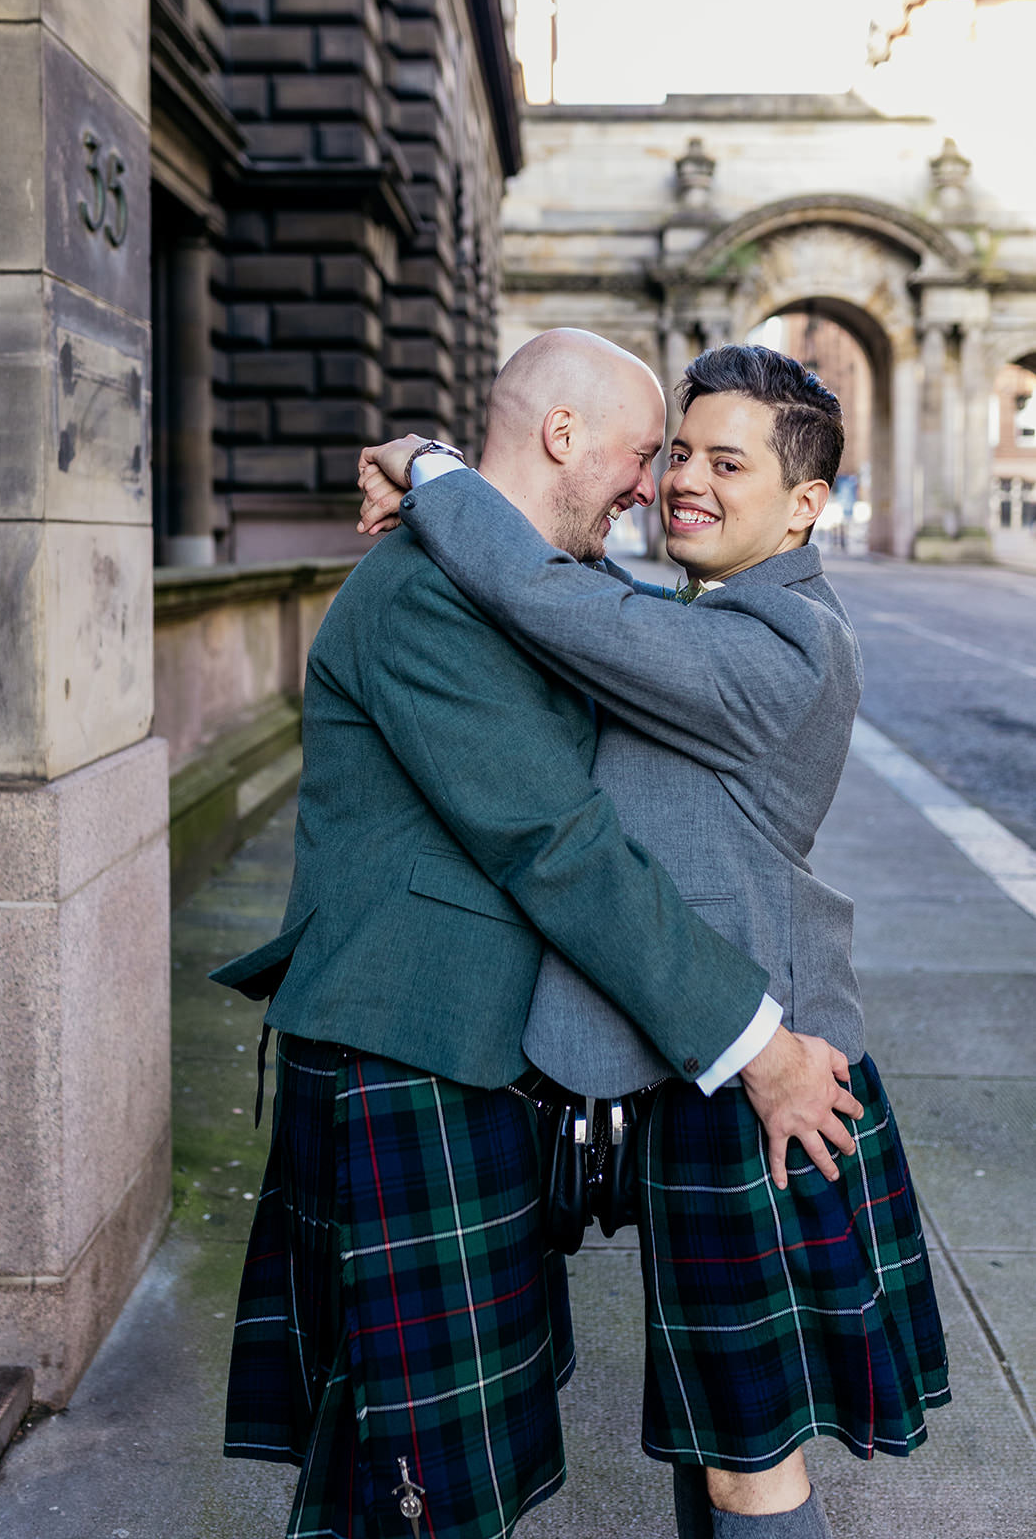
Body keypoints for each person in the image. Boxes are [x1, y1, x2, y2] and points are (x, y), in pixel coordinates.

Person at [211, 330, 861, 1539]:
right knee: (415, 1474)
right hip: (401, 1044)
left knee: (473, 1455)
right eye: (644, 453)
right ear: (562, 437)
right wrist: (749, 1040)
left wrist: (430, 462)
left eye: (705, 460)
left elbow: (570, 613)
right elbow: (551, 842)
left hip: (471, 1053)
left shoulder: (742, 634)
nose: (651, 485)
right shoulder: (423, 593)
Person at [356, 339, 949, 1539]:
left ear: (801, 505)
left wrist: (428, 467)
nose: (681, 478)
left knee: (747, 1456)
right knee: (709, 1431)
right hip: (702, 1064)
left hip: (769, 1077)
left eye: (725, 462)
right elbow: (584, 605)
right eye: (678, 449)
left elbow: (549, 599)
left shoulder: (780, 647)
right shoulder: (710, 609)